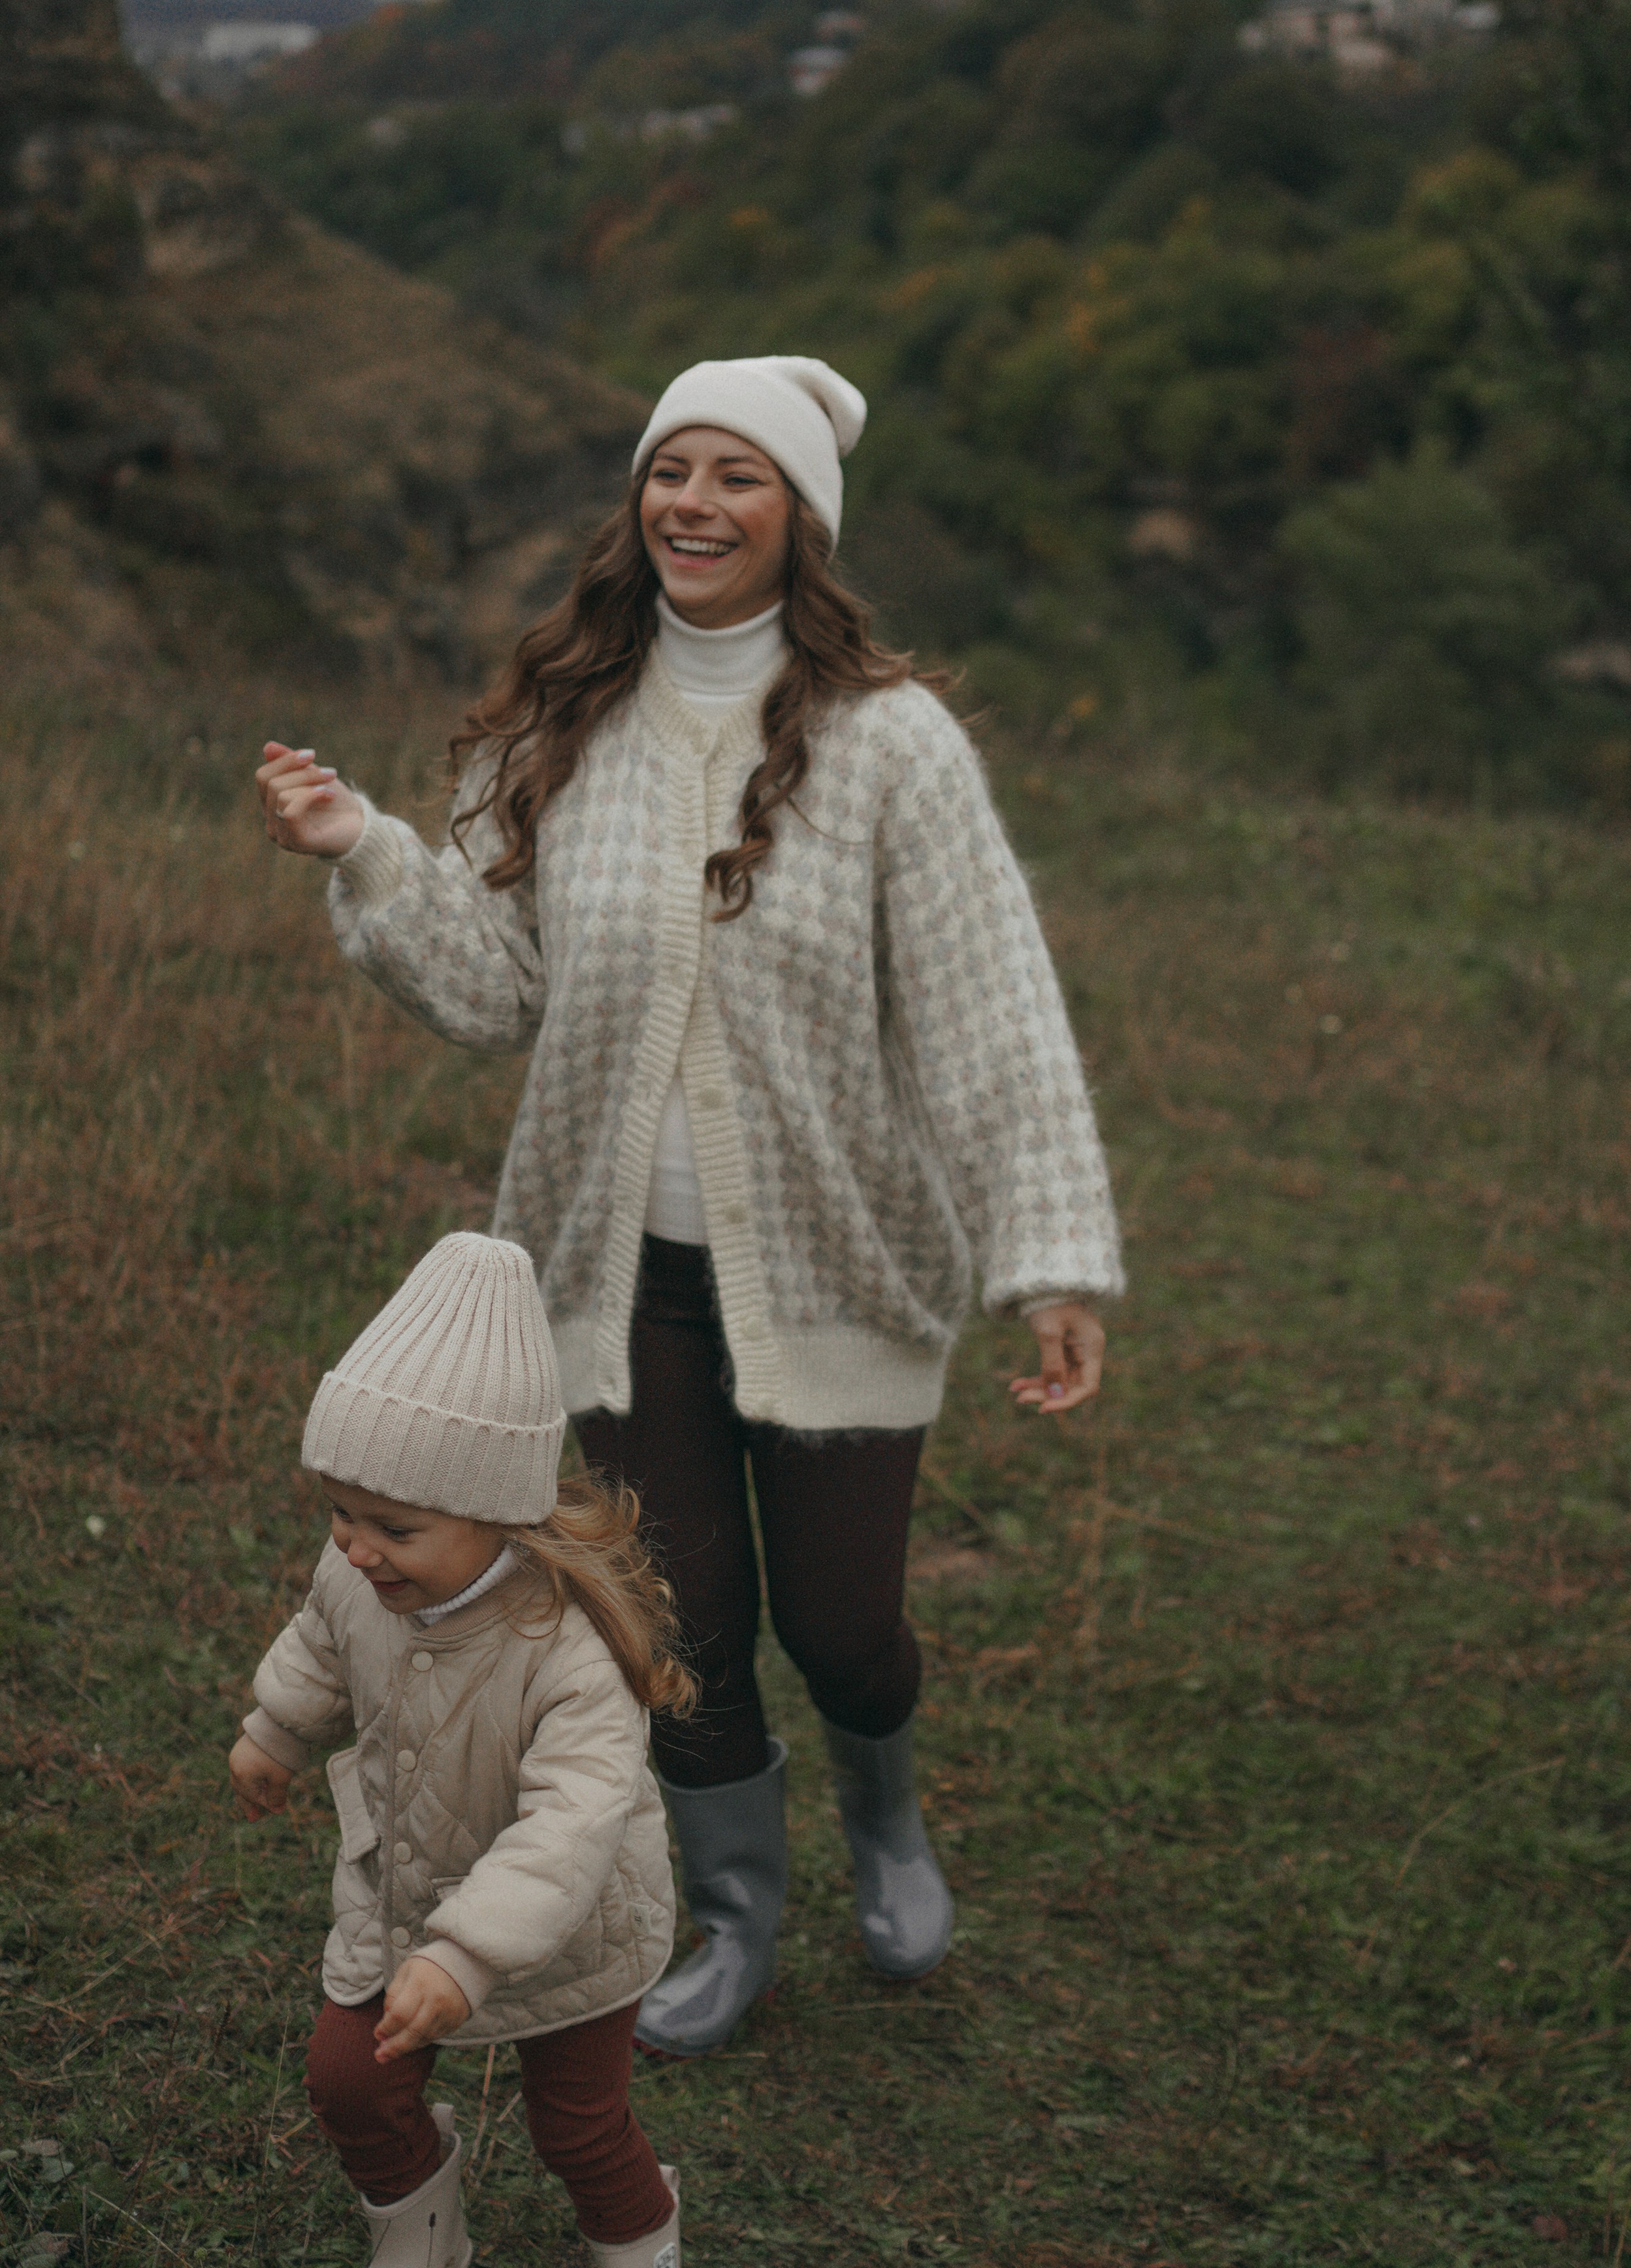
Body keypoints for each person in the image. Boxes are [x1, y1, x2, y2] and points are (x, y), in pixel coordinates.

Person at [255, 353, 1122, 2058]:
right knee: (684, 1629)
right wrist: (365, 846)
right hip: (615, 1273)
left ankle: (886, 1816)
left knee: (847, 1626)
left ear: (800, 520)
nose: (697, 505)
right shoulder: (562, 727)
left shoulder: (892, 747)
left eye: (742, 477)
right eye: (674, 471)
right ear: (638, 497)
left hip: (843, 1270)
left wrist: (1052, 1261)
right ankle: (732, 1915)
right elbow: (496, 986)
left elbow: (987, 1004)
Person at [229, 1233, 688, 2268]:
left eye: (390, 1526)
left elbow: (573, 1827)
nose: (353, 1546)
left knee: (575, 2126)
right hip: (402, 1893)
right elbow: (322, 1636)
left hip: (572, 1936)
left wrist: (470, 1952)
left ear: (499, 1512)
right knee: (349, 2081)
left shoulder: (570, 1653)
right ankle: (419, 2217)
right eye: (339, 1511)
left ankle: (639, 2236)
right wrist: (278, 1728)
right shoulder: (363, 1571)